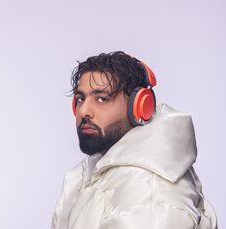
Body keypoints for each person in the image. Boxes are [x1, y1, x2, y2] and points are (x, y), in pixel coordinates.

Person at [51, 51, 217, 229]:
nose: (83, 111)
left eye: (101, 99)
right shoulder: (93, 175)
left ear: (140, 106)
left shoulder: (151, 195)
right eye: (80, 99)